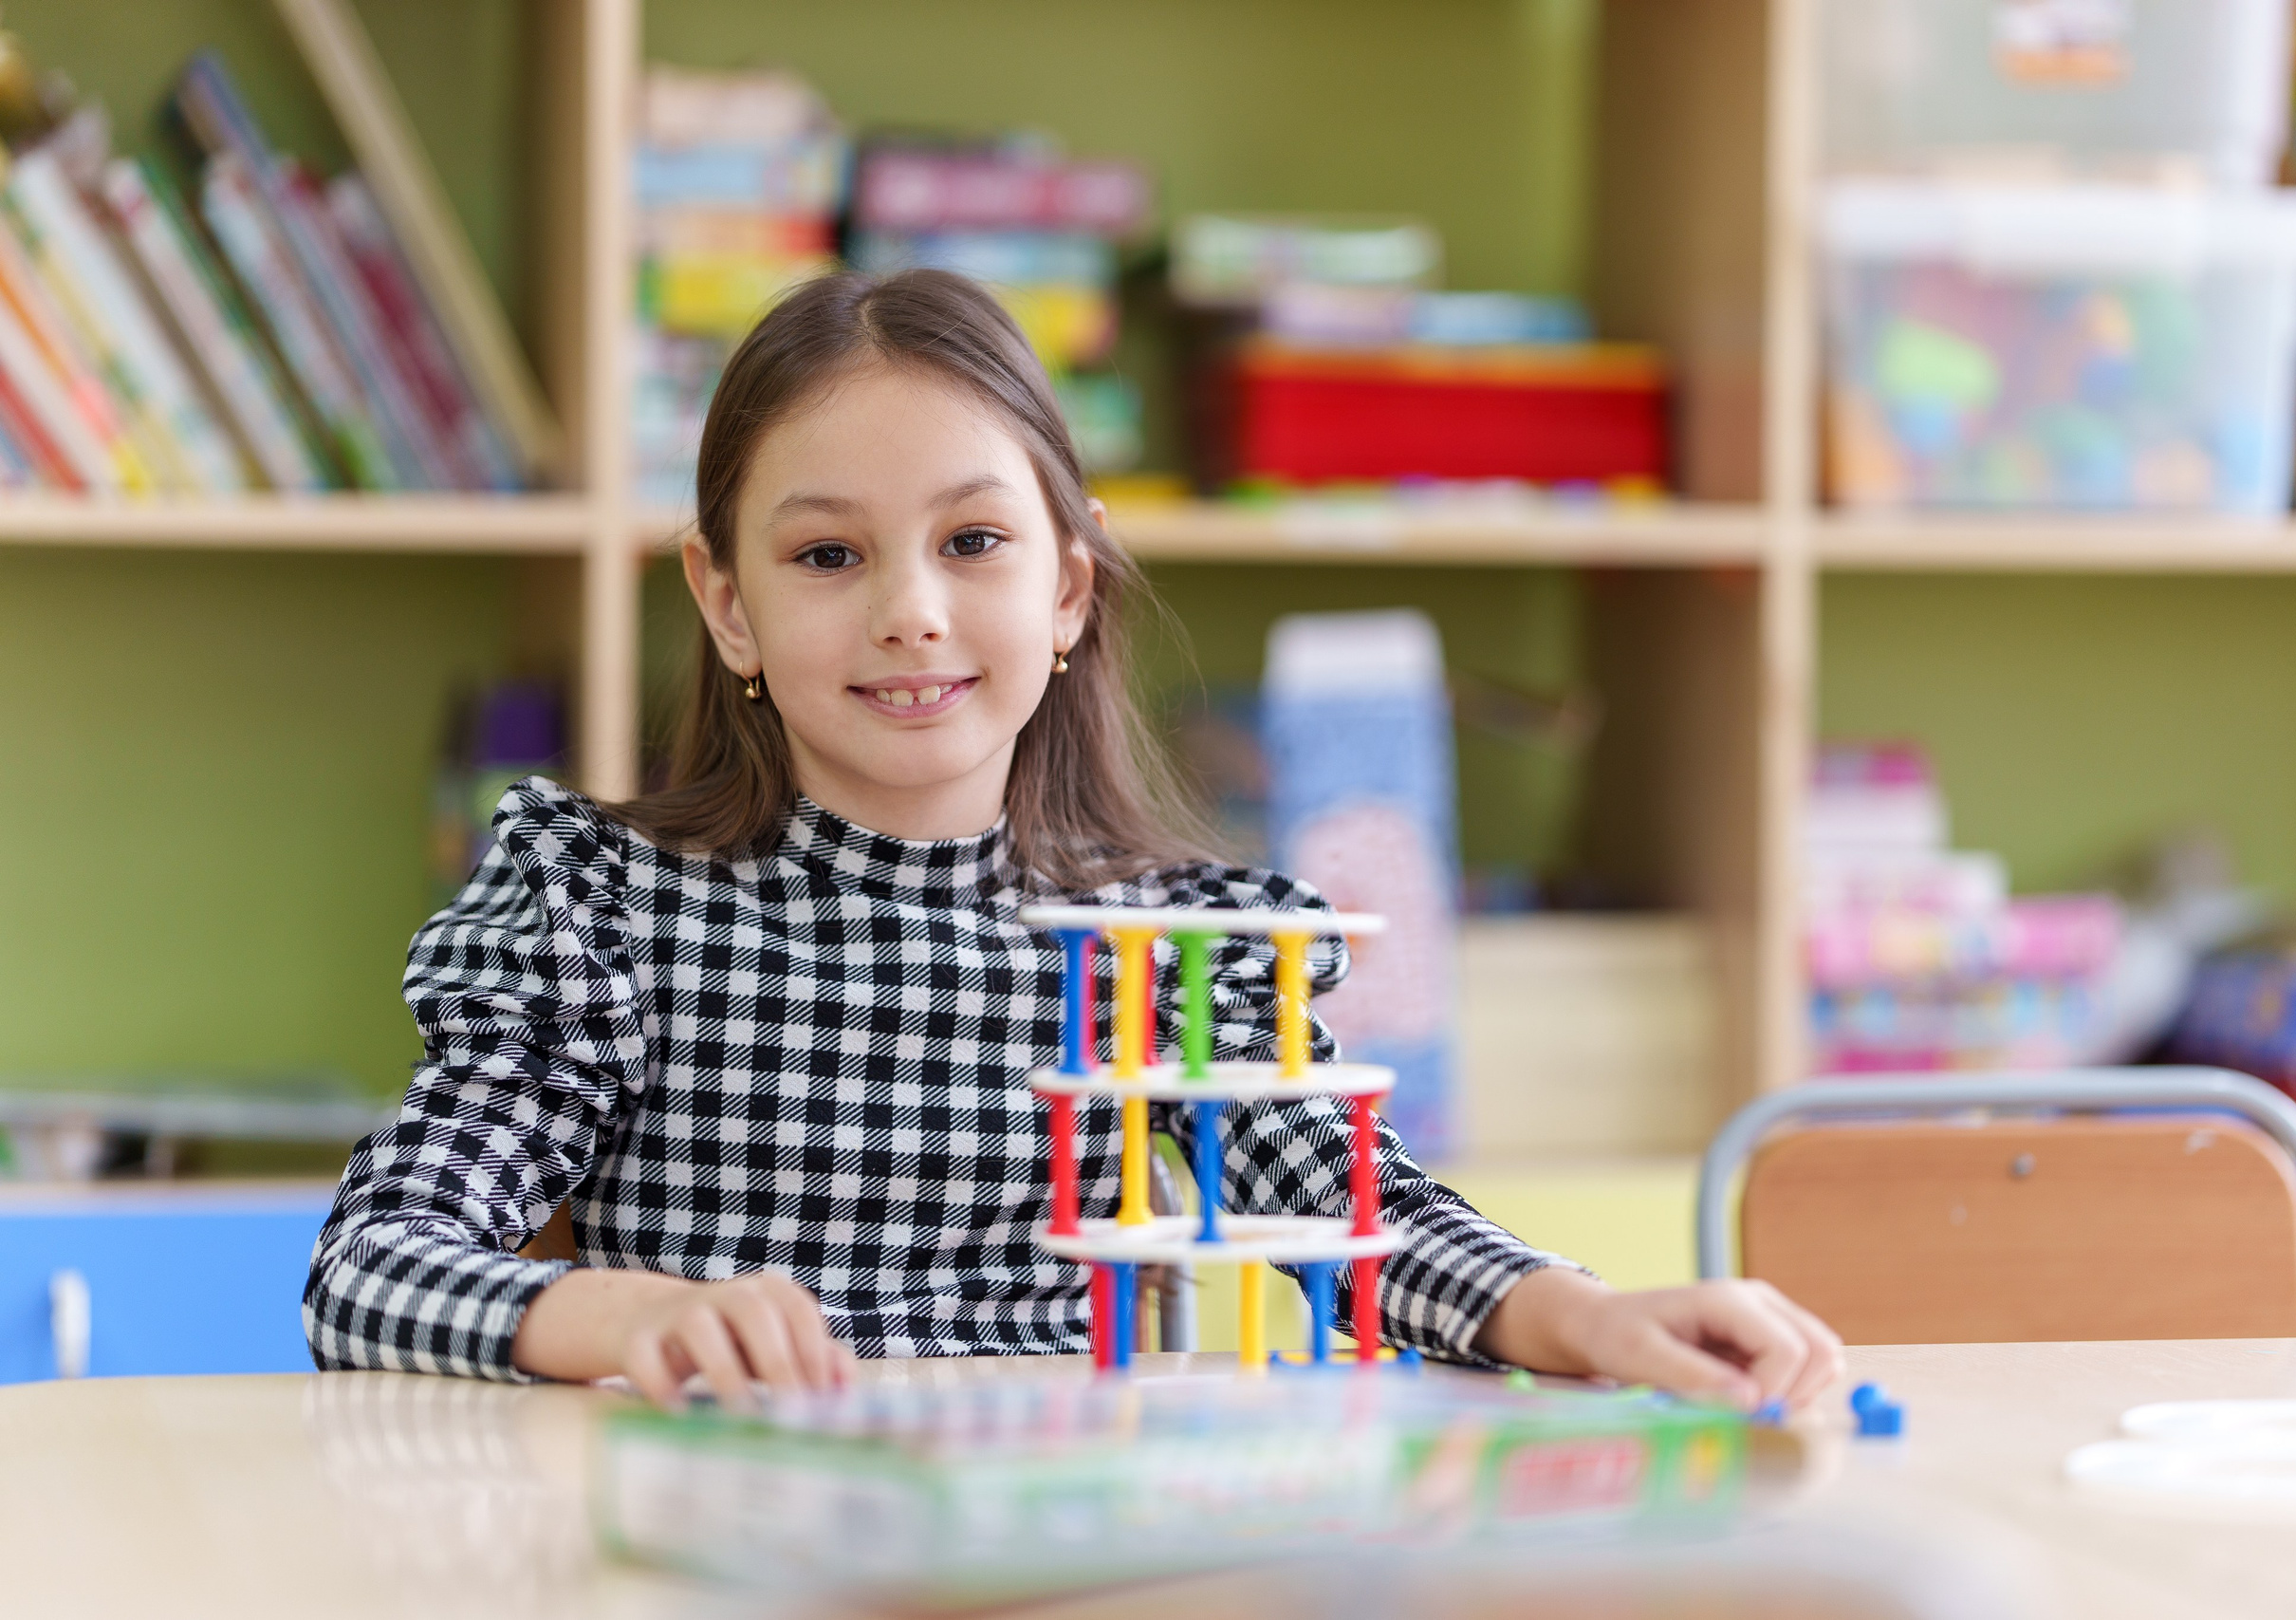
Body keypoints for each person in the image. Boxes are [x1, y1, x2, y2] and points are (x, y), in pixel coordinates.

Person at [304, 270, 1842, 1413]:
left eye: (974, 542)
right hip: (722, 1549)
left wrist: (1584, 1316)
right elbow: (367, 1268)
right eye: (828, 554)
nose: (910, 608)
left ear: (1068, 591)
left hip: (1069, 1558)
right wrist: (621, 1318)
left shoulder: (1172, 945)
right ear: (726, 605)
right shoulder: (602, 907)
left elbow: (1353, 1214)